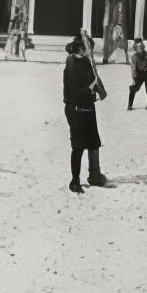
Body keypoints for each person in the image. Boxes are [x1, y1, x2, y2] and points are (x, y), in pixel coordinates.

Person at [63, 34, 106, 193]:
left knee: (94, 142)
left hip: (88, 107)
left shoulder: (86, 62)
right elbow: (73, 91)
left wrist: (99, 90)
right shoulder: (71, 63)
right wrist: (91, 90)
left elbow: (92, 79)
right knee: (79, 145)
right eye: (89, 48)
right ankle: (75, 181)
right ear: (81, 48)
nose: (91, 52)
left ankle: (94, 175)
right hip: (75, 109)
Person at [128, 37, 147, 110]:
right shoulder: (134, 57)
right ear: (135, 48)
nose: (142, 48)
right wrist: (134, 78)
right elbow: (133, 68)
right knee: (134, 88)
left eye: (142, 46)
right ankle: (129, 105)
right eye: (139, 47)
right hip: (138, 75)